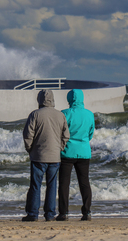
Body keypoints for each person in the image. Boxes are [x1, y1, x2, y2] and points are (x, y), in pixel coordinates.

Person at [22, 89, 70, 222]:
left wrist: (30, 149)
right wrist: (59, 147)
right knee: (52, 185)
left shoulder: (35, 114)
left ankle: (33, 214)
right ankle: (49, 214)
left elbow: (28, 135)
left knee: (35, 185)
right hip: (55, 156)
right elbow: (66, 135)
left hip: (38, 156)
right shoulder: (60, 115)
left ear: (39, 100)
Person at [56, 89, 95, 221]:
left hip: (66, 152)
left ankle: (64, 213)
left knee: (64, 183)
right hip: (84, 151)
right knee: (84, 182)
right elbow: (90, 134)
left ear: (69, 99)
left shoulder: (64, 113)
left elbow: (60, 133)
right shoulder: (89, 114)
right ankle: (87, 212)